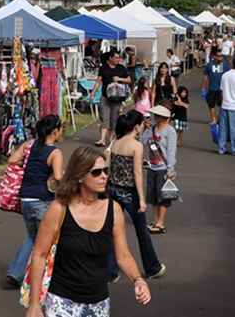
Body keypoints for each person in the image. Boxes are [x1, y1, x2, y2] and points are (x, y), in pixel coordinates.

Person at [24, 147, 151, 317]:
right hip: (61, 300)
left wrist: (138, 280)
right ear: (80, 176)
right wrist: (34, 304)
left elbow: (123, 255)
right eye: (96, 172)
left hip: (99, 303)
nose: (104, 176)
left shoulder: (114, 210)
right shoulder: (59, 209)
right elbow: (39, 255)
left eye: (106, 170)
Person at [6, 115, 64, 286]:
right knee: (48, 239)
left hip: (25, 198)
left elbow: (12, 160)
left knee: (33, 237)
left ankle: (16, 273)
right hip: (42, 199)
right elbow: (58, 177)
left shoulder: (30, 145)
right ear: (55, 131)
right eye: (61, 128)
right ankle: (44, 278)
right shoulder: (55, 152)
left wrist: (26, 164)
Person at [107, 111, 166, 281]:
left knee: (111, 230)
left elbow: (111, 167)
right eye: (141, 124)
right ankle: (152, 267)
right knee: (141, 232)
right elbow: (137, 173)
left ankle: (111, 271)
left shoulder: (116, 142)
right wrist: (141, 198)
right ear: (136, 127)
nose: (143, 127)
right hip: (129, 192)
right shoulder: (136, 146)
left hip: (112, 190)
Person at [141, 105, 177, 235]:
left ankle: (161, 223)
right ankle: (156, 221)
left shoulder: (170, 131)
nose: (154, 117)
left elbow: (172, 151)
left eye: (157, 116)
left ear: (164, 117)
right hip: (152, 166)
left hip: (163, 167)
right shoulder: (152, 129)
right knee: (152, 196)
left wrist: (170, 169)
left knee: (163, 196)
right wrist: (146, 128)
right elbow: (142, 142)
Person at [92, 50, 131, 147]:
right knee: (105, 119)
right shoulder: (103, 68)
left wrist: (119, 79)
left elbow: (129, 80)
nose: (118, 59)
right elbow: (99, 81)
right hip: (105, 97)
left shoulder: (121, 68)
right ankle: (102, 140)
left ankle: (111, 140)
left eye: (119, 58)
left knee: (114, 120)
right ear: (110, 58)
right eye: (116, 58)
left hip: (117, 98)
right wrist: (93, 92)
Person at [202, 47, 230, 125]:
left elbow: (229, 76)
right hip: (212, 89)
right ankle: (213, 119)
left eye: (221, 56)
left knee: (222, 106)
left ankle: (219, 118)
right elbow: (205, 77)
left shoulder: (226, 65)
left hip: (222, 89)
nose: (220, 57)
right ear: (214, 56)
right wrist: (204, 88)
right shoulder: (209, 65)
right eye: (218, 56)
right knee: (211, 106)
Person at [217, 60, 235, 155]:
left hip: (225, 104)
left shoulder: (225, 75)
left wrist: (221, 105)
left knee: (223, 128)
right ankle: (233, 148)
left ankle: (221, 148)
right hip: (233, 106)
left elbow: (221, 91)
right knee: (233, 129)